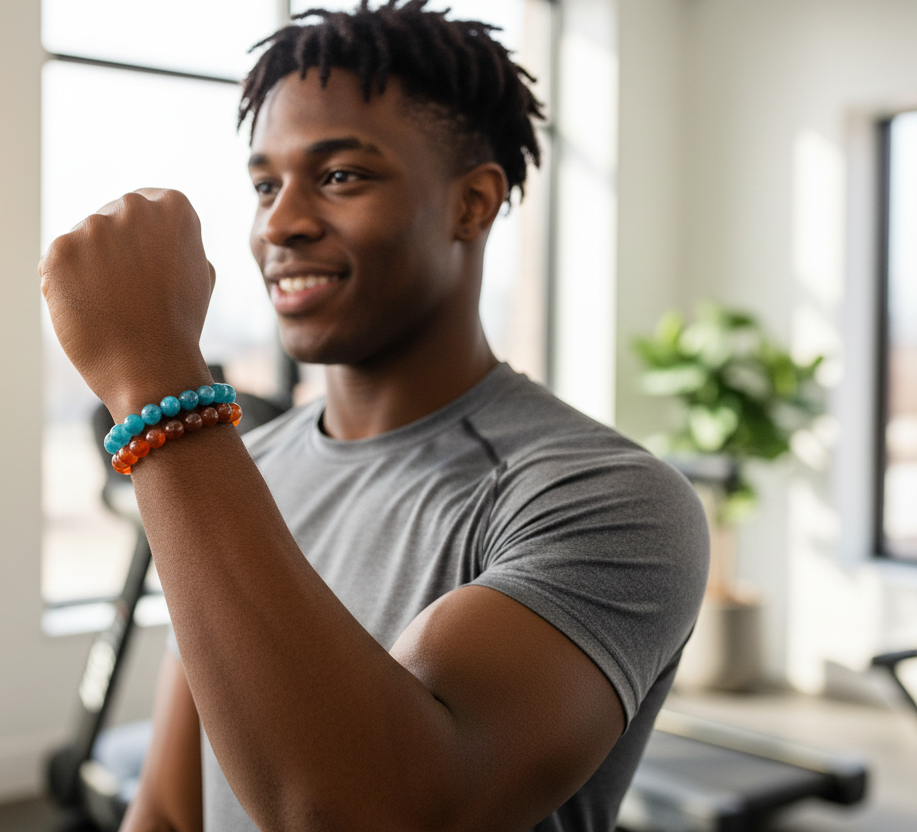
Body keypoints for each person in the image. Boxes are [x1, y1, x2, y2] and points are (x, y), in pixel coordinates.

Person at [40, 2, 709, 830]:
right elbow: (174, 809)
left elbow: (371, 813)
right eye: (264, 185)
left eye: (341, 176)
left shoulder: (607, 501)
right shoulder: (245, 471)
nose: (280, 223)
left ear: (472, 205)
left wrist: (150, 375)